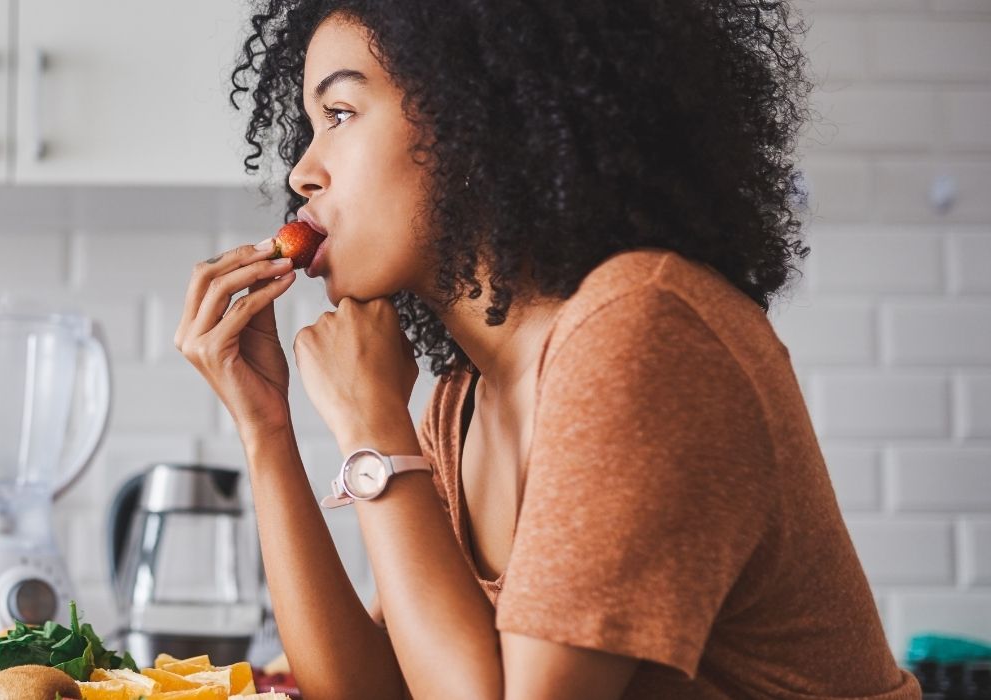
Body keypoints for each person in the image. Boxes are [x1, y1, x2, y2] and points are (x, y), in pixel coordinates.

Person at [173, 2, 921, 698]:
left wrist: (374, 430)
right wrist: (266, 430)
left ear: (475, 118)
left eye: (339, 113)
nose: (302, 172)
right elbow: (377, 690)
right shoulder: (465, 400)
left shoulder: (644, 329)